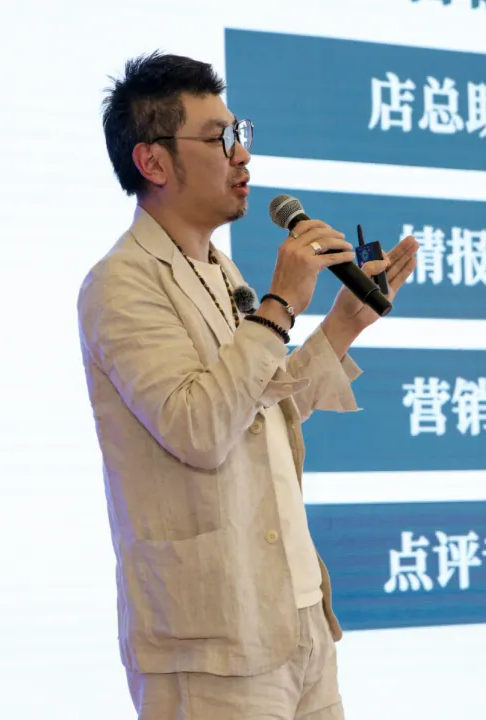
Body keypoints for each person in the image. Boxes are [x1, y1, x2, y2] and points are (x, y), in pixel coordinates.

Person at [76, 51, 419, 719]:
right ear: (153, 162)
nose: (242, 155)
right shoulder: (120, 284)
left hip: (297, 618)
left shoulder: (220, 271)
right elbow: (198, 428)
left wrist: (343, 323)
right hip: (212, 645)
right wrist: (280, 303)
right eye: (218, 138)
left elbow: (263, 410)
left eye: (240, 133)